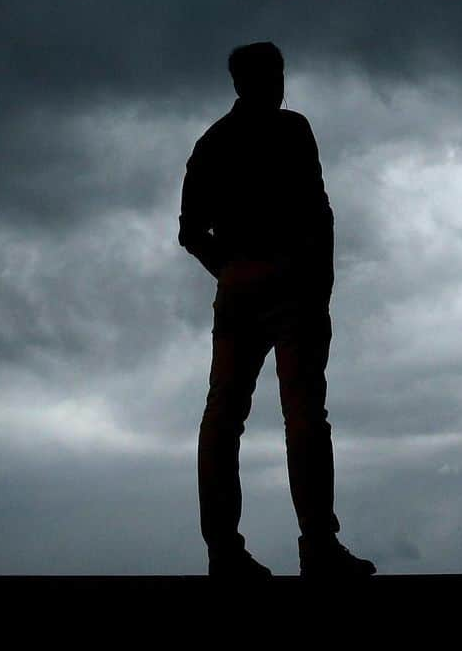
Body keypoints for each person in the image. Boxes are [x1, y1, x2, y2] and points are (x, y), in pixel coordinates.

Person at [179, 41, 376, 580]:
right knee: (301, 417)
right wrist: (311, 279)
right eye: (277, 74)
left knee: (227, 417)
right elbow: (318, 210)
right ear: (265, 79)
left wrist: (231, 269)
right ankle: (314, 545)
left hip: (249, 288)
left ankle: (229, 551)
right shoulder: (290, 131)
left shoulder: (213, 142)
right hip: (285, 288)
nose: (281, 84)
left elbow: (191, 232)